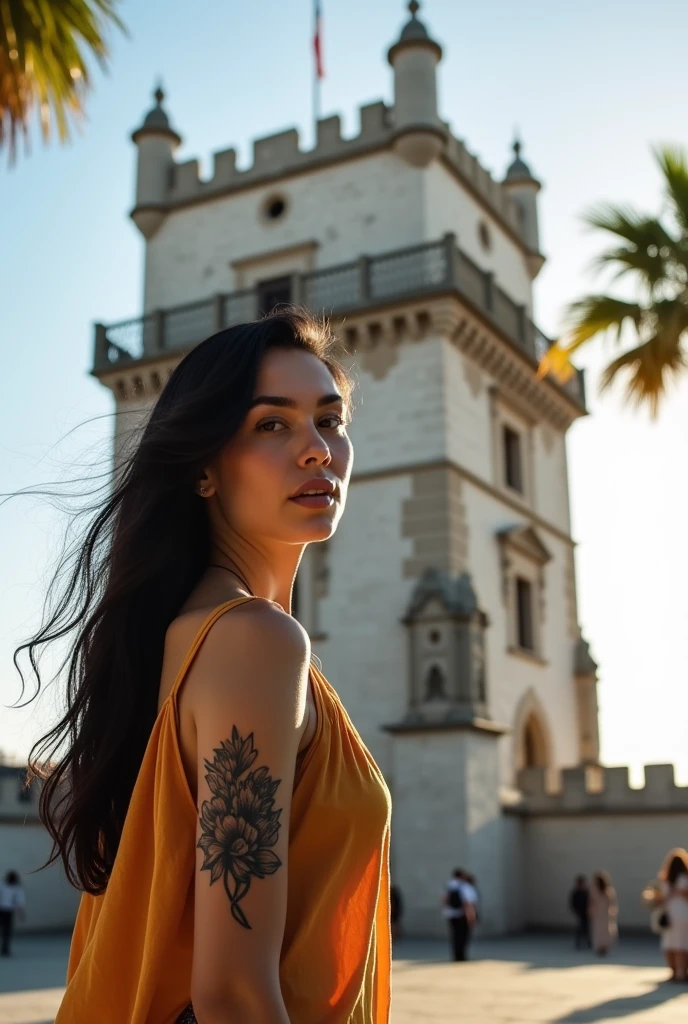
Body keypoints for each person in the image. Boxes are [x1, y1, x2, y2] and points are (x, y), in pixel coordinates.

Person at [16, 310, 392, 1023]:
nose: (318, 450)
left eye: (330, 420)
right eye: (271, 426)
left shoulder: (195, 634)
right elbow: (233, 992)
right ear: (203, 470)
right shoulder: (254, 641)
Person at [655, 848, 688, 982]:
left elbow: (662, 898)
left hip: (670, 914)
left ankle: (674, 972)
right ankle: (682, 972)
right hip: (684, 913)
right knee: (683, 944)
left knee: (671, 944)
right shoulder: (685, 879)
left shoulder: (666, 880)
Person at [442, 868, 476, 962]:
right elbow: (468, 903)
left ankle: (456, 956)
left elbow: (444, 900)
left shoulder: (449, 885)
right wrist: (471, 916)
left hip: (451, 915)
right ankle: (461, 956)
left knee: (455, 936)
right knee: (463, 936)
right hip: (462, 915)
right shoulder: (465, 886)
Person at [588, 871, 618, 956]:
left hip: (602, 913)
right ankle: (602, 946)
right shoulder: (597, 890)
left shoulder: (607, 890)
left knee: (601, 930)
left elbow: (611, 902)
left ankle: (602, 947)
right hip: (601, 913)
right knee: (602, 930)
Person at [0, 871, 26, 956]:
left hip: (6, 911)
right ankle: (5, 949)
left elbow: (20, 903)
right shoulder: (15, 888)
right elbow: (20, 903)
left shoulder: (6, 886)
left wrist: (21, 914)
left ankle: (5, 949)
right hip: (6, 911)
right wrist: (22, 915)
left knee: (6, 932)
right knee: (6, 932)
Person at [569, 875, 591, 949]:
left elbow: (590, 902)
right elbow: (573, 903)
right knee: (580, 927)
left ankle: (589, 942)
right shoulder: (575, 892)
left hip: (587, 912)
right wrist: (576, 911)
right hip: (580, 913)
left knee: (587, 928)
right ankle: (579, 942)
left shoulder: (586, 892)